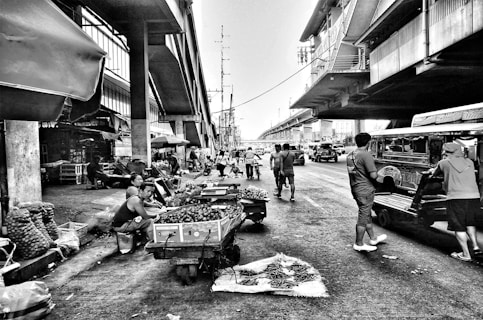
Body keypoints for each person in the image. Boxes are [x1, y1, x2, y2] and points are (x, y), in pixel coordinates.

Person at [431, 142, 482, 261]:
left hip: (456, 197)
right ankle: (475, 246)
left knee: (459, 226)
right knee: (470, 223)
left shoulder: (443, 163)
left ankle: (466, 254)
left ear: (445, 152)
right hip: (474, 197)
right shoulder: (469, 162)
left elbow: (434, 174)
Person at [347, 133, 387, 252]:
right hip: (366, 190)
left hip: (356, 188)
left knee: (366, 213)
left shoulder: (351, 154)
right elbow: (373, 175)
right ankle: (358, 243)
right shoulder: (366, 155)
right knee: (363, 216)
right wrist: (384, 176)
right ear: (368, 143)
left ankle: (373, 238)